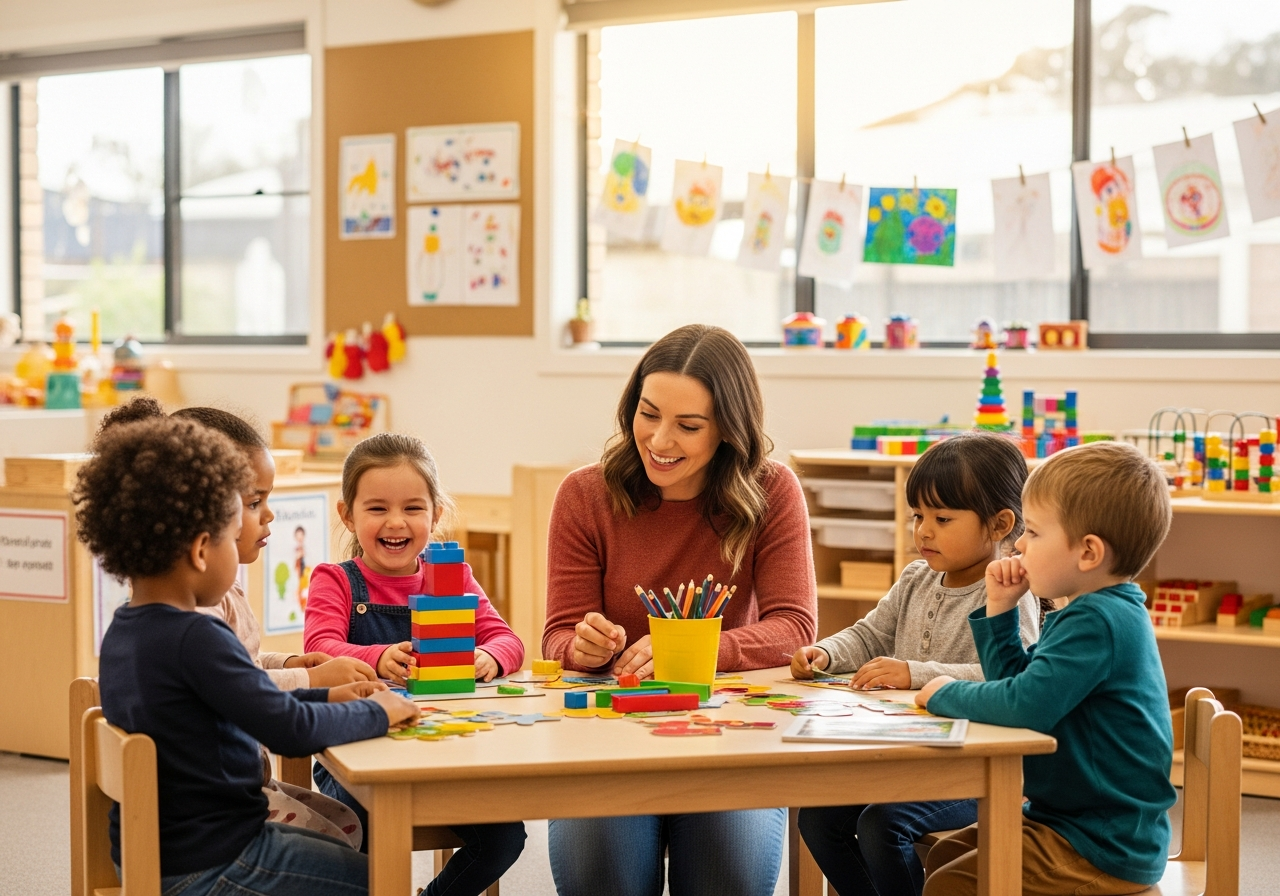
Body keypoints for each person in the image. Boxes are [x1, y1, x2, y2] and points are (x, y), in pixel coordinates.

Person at [77, 415, 418, 896]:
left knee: (346, 838)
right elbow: (288, 729)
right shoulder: (197, 636)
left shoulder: (127, 630)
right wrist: (378, 711)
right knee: (386, 881)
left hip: (161, 851)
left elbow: (251, 700)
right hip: (219, 859)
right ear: (201, 550)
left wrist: (327, 693)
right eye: (234, 532)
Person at [541, 324, 817, 896]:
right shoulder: (584, 495)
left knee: (731, 869)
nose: (660, 440)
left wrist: (692, 651)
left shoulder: (772, 491)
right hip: (609, 734)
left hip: (727, 733)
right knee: (602, 869)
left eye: (688, 426)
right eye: (648, 414)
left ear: (729, 431)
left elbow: (796, 629)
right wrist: (581, 646)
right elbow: (558, 636)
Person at [916, 441, 1177, 896]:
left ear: (1088, 553)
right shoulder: (1088, 611)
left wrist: (941, 691)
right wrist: (999, 611)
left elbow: (1023, 705)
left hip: (1100, 841)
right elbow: (1015, 685)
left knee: (952, 882)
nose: (1018, 543)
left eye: (1033, 533)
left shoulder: (1098, 621)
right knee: (945, 855)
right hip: (1070, 820)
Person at [794, 432, 1045, 896]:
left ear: (999, 524)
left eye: (942, 518)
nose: (923, 530)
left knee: (881, 826)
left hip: (979, 769)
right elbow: (871, 634)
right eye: (918, 516)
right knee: (818, 817)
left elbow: (1013, 678)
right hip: (909, 756)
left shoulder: (1011, 593)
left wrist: (915, 672)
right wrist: (826, 652)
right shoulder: (916, 578)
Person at [303, 432, 526, 894]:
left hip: (446, 750)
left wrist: (489, 655)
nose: (396, 522)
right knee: (364, 832)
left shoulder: (453, 577)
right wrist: (379, 656)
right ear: (347, 514)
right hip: (356, 752)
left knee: (505, 837)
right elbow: (319, 652)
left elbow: (507, 639)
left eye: (412, 507)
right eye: (377, 508)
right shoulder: (336, 581)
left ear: (435, 514)